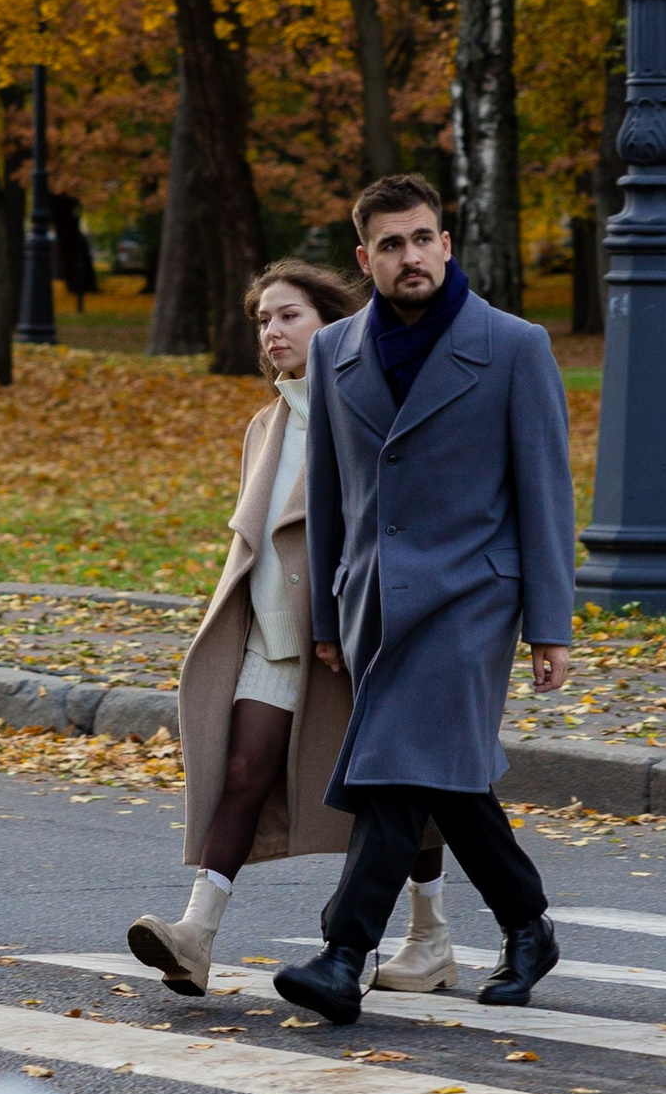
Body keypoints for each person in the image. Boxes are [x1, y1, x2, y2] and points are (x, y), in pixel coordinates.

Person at [273, 174, 576, 1029]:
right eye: (393, 245)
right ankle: (527, 925)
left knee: (400, 765)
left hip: (475, 593)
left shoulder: (515, 346)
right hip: (374, 599)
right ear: (366, 259)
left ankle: (343, 952)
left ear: (447, 243)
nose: (413, 257)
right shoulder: (337, 352)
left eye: (425, 238)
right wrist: (330, 616)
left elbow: (545, 491)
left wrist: (550, 623)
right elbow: (327, 494)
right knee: (442, 776)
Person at [126, 256, 456, 997]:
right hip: (275, 634)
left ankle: (430, 935)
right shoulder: (265, 426)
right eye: (263, 321)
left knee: (401, 793)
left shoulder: (374, 408)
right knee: (241, 773)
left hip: (361, 636)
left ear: (333, 321)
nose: (272, 332)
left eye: (288, 315)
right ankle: (196, 935)